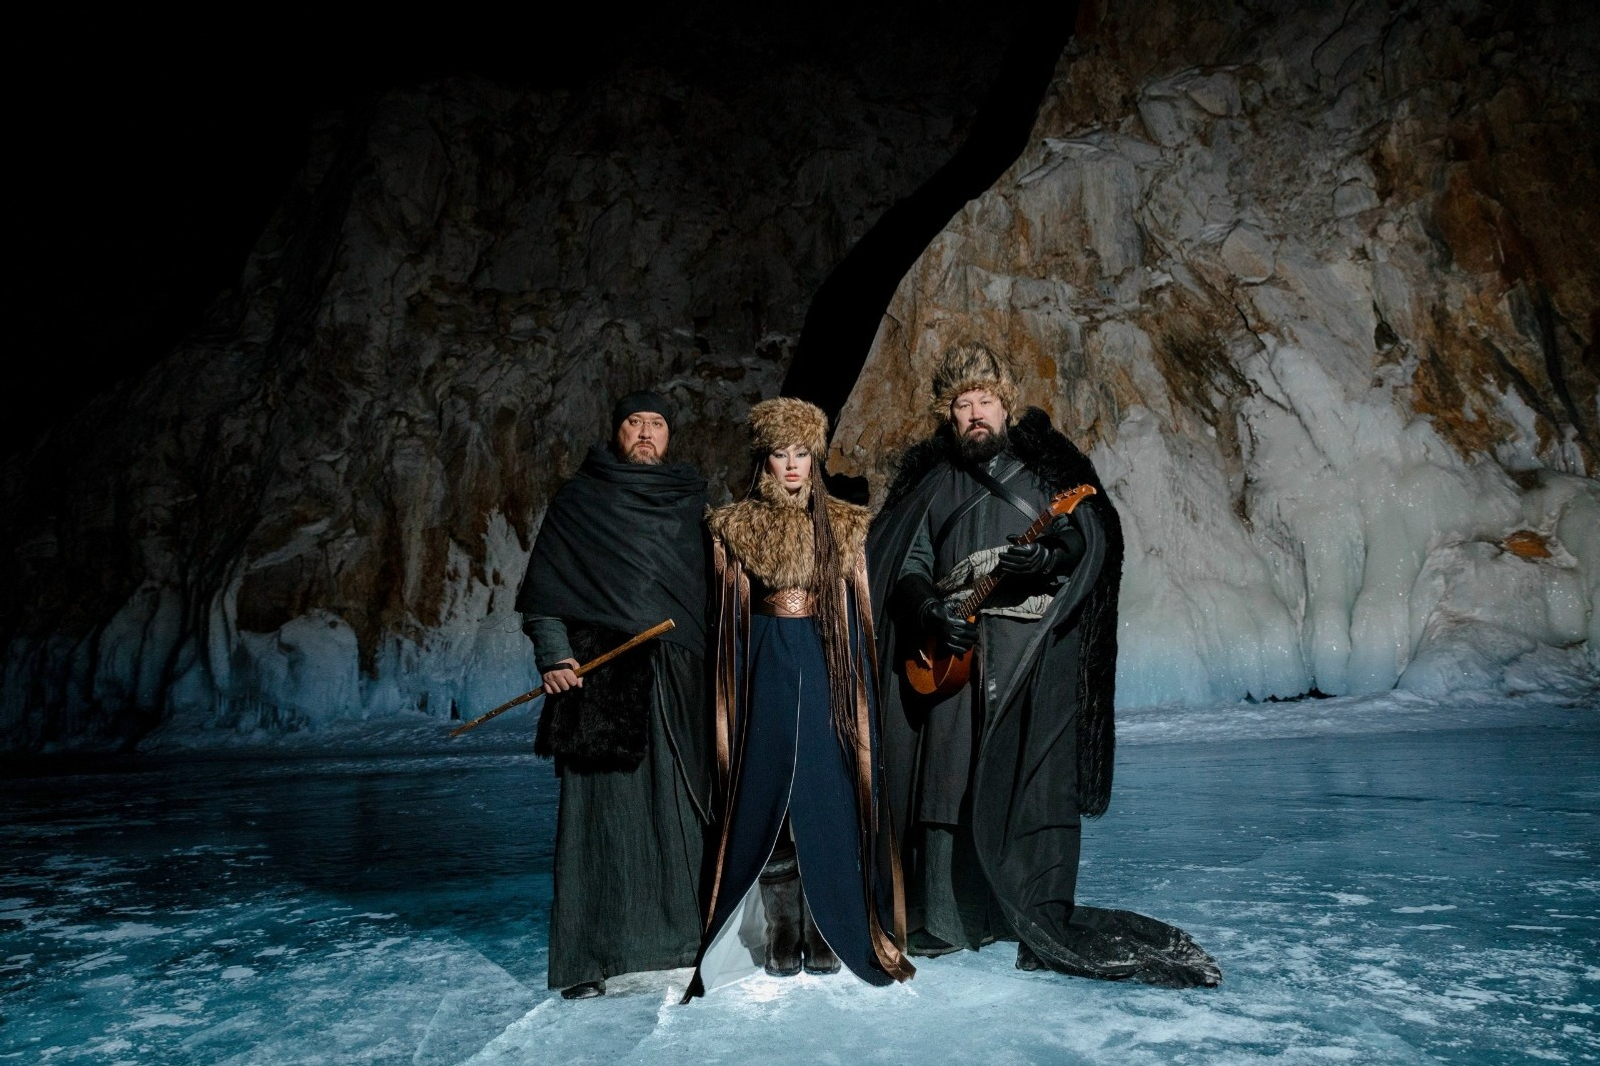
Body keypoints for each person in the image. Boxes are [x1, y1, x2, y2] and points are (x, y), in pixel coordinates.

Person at [868, 342, 1219, 987]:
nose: (976, 413)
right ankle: (945, 917)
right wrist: (928, 611)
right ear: (949, 415)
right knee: (947, 779)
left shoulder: (1046, 472)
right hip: (954, 653)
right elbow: (908, 564)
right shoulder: (933, 485)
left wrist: (1050, 558)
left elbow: (1088, 538)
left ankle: (1021, 909)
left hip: (1028, 652)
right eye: (963, 404)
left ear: (1005, 405)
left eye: (986, 401)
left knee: (1024, 781)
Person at [685, 397, 915, 997]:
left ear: (815, 459)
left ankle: (824, 922)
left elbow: (857, 613)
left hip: (823, 660)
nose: (792, 465)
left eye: (801, 454)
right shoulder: (736, 525)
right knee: (767, 789)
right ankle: (782, 927)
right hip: (765, 662)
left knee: (826, 785)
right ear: (764, 460)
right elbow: (727, 619)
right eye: (781, 454)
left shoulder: (843, 523)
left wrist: (851, 682)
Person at [515, 391, 713, 1000]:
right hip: (601, 675)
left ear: (670, 435)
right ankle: (588, 957)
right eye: (635, 422)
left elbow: (721, 587)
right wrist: (554, 655)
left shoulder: (692, 500)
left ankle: (688, 941)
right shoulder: (580, 500)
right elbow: (545, 588)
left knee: (683, 805)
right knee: (598, 817)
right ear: (617, 431)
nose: (646, 433)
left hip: (681, 675)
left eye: (657, 423)